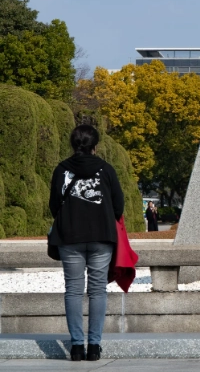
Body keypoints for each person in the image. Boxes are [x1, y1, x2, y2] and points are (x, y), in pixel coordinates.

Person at [49, 125, 124, 362]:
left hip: (70, 237)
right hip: (101, 236)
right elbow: (118, 205)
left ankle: (76, 347)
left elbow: (54, 205)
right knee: (97, 290)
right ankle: (93, 346)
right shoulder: (106, 169)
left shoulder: (62, 170)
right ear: (95, 146)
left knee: (73, 290)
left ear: (73, 145)